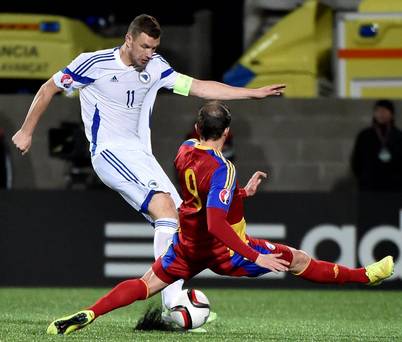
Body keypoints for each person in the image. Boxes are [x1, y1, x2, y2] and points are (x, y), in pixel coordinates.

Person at [11, 14, 286, 314]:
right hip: (109, 152)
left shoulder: (155, 67)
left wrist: (251, 93)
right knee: (165, 209)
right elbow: (48, 88)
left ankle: (172, 299)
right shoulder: (93, 63)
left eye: (153, 48)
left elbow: (198, 87)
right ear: (129, 39)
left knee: (183, 219)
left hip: (142, 155)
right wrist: (27, 131)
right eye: (144, 46)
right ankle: (172, 303)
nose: (148, 54)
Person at [46, 101, 394, 335]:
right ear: (227, 133)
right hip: (221, 250)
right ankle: (366, 276)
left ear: (198, 127)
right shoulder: (223, 169)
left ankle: (88, 314)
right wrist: (254, 254)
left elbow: (202, 198)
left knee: (145, 285)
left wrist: (241, 194)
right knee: (298, 259)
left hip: (186, 245)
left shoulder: (184, 150)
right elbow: (216, 220)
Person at [351, 99, 402, 192]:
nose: (380, 114)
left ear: (392, 114)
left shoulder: (398, 136)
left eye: (384, 111)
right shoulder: (365, 135)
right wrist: (363, 178)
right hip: (369, 187)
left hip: (393, 188)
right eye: (377, 111)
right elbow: (356, 161)